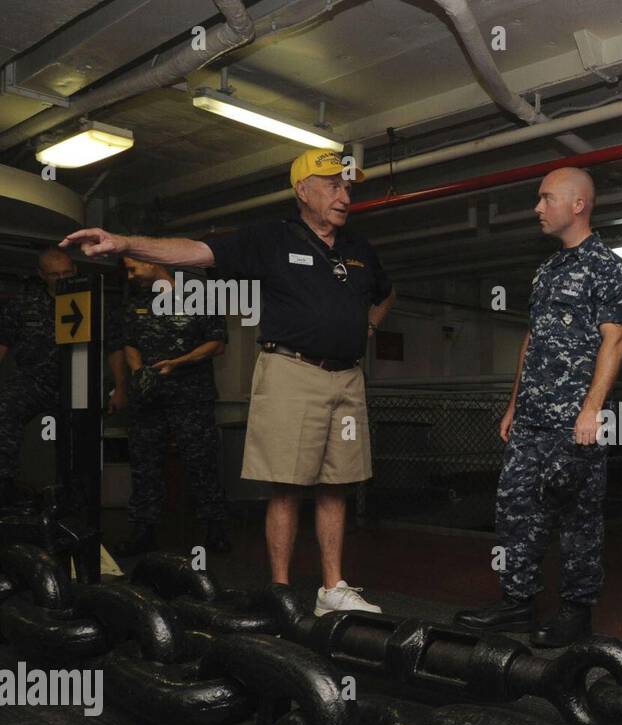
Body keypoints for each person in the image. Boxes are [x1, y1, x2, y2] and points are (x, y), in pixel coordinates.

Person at [63, 148, 396, 615]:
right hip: (292, 372)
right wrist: (123, 243)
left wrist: (369, 326)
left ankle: (332, 589)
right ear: (303, 190)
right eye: (333, 185)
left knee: (336, 484)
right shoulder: (272, 238)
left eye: (348, 187)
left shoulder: (359, 249)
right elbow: (195, 251)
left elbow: (385, 292)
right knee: (287, 486)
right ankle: (280, 592)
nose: (344, 195)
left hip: (347, 379)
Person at [455, 168, 622, 648]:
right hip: (531, 419)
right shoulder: (547, 270)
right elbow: (531, 341)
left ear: (578, 204)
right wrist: (514, 404)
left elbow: (614, 339)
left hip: (575, 422)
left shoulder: (608, 267)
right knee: (516, 511)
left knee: (577, 519)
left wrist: (592, 409)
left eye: (545, 198)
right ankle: (517, 602)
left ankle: (576, 613)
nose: (538, 207)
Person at [114, 257, 230, 556]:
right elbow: (129, 342)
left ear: (152, 263)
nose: (130, 276)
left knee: (202, 463)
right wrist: (139, 371)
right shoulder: (136, 302)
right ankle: (144, 531)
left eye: (133, 268)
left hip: (191, 397)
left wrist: (177, 363)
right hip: (148, 399)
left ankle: (215, 530)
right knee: (144, 466)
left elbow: (217, 344)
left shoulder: (200, 296)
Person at [0, 248, 76, 502]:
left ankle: (74, 492)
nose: (62, 278)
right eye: (55, 274)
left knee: (78, 436)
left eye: (66, 272)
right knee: (4, 408)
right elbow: (3, 343)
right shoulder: (24, 304)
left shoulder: (89, 302)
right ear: (42, 275)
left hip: (75, 383)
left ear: (75, 271)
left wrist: (120, 387)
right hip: (32, 380)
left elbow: (114, 346)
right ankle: (5, 483)